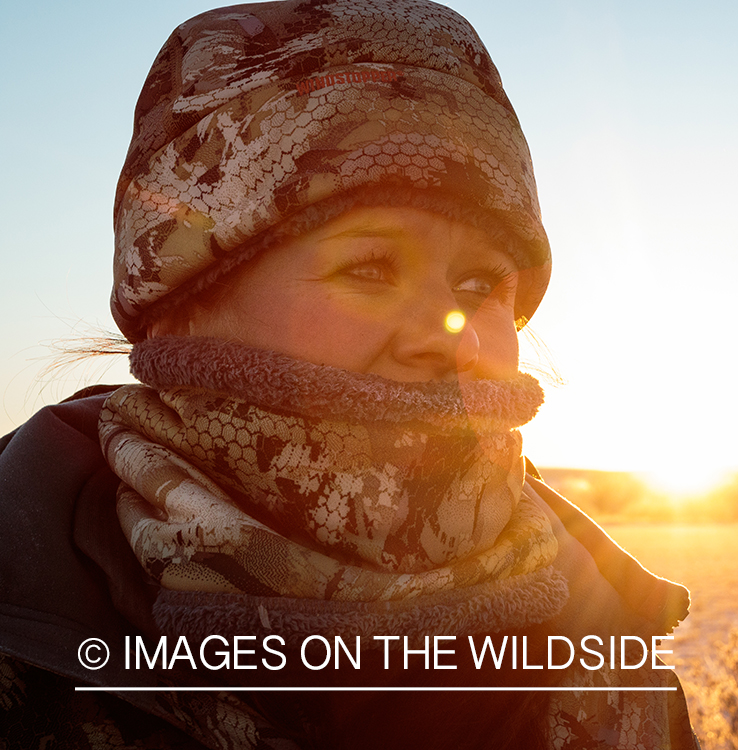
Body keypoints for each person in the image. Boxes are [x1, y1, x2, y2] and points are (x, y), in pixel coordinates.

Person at [0, 1, 697, 747]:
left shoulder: (611, 651)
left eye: (480, 285)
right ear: (181, 306)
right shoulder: (28, 626)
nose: (445, 337)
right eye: (369, 267)